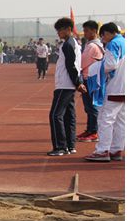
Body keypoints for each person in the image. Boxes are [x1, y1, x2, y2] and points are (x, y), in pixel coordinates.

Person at [84, 23, 125, 163]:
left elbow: (111, 64)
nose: (102, 40)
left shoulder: (113, 44)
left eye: (103, 36)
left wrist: (98, 65)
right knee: (121, 120)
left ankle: (102, 151)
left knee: (105, 119)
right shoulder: (125, 42)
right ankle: (116, 149)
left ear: (108, 33)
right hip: (125, 87)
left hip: (115, 87)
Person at [47, 17, 86, 157]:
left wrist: (77, 82)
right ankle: (70, 145)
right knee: (69, 115)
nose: (58, 33)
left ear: (68, 29)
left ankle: (60, 147)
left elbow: (71, 66)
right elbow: (75, 65)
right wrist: (77, 82)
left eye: (60, 30)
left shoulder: (67, 45)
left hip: (65, 85)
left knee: (55, 115)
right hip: (68, 84)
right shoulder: (73, 43)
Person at [77, 20, 104, 141]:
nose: (85, 33)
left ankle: (94, 131)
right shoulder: (93, 44)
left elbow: (82, 63)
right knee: (89, 107)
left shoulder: (92, 46)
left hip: (90, 79)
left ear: (94, 31)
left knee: (91, 107)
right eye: (84, 31)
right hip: (91, 78)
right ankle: (90, 130)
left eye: (87, 31)